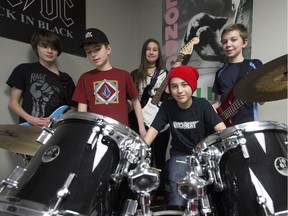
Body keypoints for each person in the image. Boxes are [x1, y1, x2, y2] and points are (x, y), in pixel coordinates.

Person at [143, 65, 226, 207]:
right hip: (179, 156)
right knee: (178, 196)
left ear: (192, 86)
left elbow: (222, 131)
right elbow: (153, 130)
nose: (179, 91)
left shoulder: (203, 105)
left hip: (202, 156)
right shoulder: (167, 106)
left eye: (184, 85)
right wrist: (140, 149)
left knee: (211, 196)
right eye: (174, 86)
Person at [72, 28, 146, 137]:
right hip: (96, 134)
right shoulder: (85, 78)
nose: (93, 54)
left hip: (121, 134)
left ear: (108, 49)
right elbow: (82, 110)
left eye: (97, 49)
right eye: (88, 52)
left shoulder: (124, 75)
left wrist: (142, 129)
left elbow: (135, 101)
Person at [129, 38, 170, 204]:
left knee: (158, 158)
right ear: (144, 52)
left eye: (155, 49)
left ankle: (159, 193)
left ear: (159, 54)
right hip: (138, 120)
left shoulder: (166, 75)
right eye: (148, 49)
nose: (151, 52)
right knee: (141, 158)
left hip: (160, 122)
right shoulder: (134, 74)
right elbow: (132, 99)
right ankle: (141, 191)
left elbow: (168, 99)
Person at [6, 29, 77, 127]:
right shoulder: (23, 69)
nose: (49, 51)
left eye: (54, 48)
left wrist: (57, 119)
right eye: (44, 46)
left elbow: (73, 108)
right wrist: (30, 119)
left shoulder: (66, 78)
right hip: (29, 128)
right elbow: (13, 103)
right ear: (36, 47)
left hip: (55, 129)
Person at [212, 23, 263, 126]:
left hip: (248, 126)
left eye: (233, 40)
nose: (228, 44)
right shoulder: (220, 72)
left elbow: (262, 101)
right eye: (224, 42)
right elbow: (218, 102)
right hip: (225, 128)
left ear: (244, 43)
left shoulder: (254, 65)